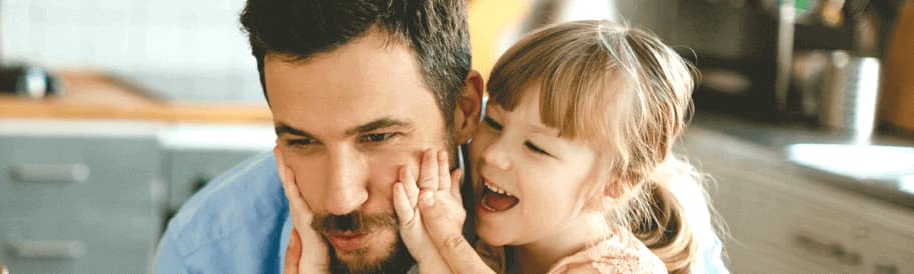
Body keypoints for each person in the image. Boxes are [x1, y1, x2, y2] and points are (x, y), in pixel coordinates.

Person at [154, 0, 730, 273]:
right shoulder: (207, 250)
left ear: (464, 108)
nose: (340, 198)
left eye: (379, 137)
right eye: (301, 141)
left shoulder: (660, 238)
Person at [390, 20, 721, 274]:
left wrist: (447, 244)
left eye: (535, 146)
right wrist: (431, 250)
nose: (493, 153)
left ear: (614, 184)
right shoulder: (497, 250)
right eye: (493, 122)